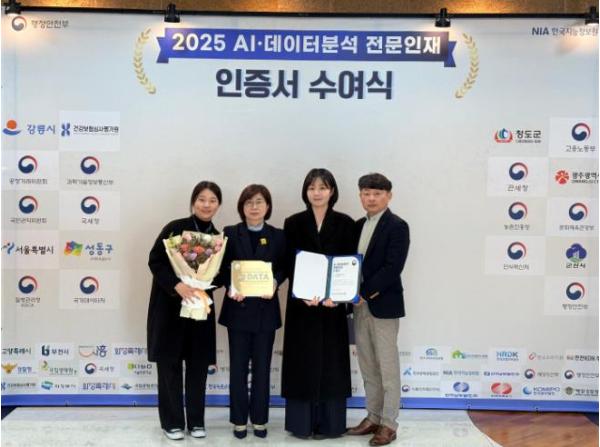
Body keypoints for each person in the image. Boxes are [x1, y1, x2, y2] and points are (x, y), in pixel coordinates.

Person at [281, 168, 356, 439]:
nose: (317, 192)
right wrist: (301, 292)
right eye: (312, 187)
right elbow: (288, 262)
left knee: (332, 363)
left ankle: (331, 424)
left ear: (332, 191)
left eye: (322, 187)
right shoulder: (293, 222)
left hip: (332, 306)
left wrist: (340, 297)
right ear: (305, 191)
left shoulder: (346, 223)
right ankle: (301, 424)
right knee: (302, 362)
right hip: (302, 305)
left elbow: (350, 264)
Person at [147, 181, 222, 441]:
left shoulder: (219, 238)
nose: (206, 205)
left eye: (212, 200)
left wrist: (205, 282)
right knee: (169, 365)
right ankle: (172, 422)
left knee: (198, 366)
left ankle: (197, 422)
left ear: (218, 205)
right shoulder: (175, 228)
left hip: (199, 309)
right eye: (201, 199)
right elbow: (155, 260)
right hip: (170, 308)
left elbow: (221, 274)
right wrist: (176, 285)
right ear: (193, 202)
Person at [346, 173, 410, 446]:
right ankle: (372, 416)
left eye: (377, 193)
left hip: (382, 305)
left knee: (387, 367)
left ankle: (389, 424)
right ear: (360, 196)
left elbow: (393, 268)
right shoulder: (358, 225)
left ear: (388, 196)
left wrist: (364, 292)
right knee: (368, 365)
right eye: (366, 193)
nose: (371, 198)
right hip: (358, 306)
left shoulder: (397, 226)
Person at [218, 184, 287, 439]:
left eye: (259, 202)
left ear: (268, 206)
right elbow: (221, 268)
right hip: (238, 310)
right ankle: (238, 420)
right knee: (237, 369)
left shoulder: (278, 235)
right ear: (241, 207)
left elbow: (284, 266)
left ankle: (259, 419)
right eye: (249, 202)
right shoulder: (229, 233)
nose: (254, 207)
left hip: (265, 312)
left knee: (262, 369)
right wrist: (229, 286)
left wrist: (275, 282)